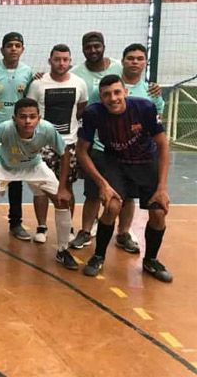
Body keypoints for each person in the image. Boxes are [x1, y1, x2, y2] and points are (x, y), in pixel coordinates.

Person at [69, 33, 162, 250]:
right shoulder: (104, 86)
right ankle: (85, 231)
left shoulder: (149, 91)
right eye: (131, 59)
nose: (135, 62)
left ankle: (123, 233)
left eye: (139, 59)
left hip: (134, 154)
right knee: (94, 192)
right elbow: (90, 114)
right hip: (102, 149)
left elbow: (158, 122)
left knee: (127, 196)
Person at [77, 75, 172, 282]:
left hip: (146, 162)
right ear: (100, 98)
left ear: (125, 93)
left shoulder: (145, 108)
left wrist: (162, 188)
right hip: (115, 162)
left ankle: (151, 260)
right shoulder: (93, 113)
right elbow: (82, 152)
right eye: (107, 95)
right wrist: (102, 184)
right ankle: (98, 256)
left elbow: (163, 145)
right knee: (111, 206)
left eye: (117, 92)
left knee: (158, 213)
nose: (113, 98)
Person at [0, 98, 78, 270]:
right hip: (3, 165)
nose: (28, 121)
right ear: (14, 118)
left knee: (63, 200)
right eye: (22, 117)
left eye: (32, 117)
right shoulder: (5, 128)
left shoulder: (47, 129)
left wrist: (63, 187)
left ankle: (63, 250)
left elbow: (64, 153)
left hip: (33, 165)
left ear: (39, 118)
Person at [26, 44, 88, 243]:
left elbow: (81, 108)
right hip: (42, 145)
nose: (61, 63)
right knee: (41, 187)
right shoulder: (38, 84)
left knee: (66, 187)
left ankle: (67, 227)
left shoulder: (79, 83)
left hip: (69, 144)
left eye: (65, 59)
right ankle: (42, 227)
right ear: (49, 60)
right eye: (57, 59)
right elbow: (30, 110)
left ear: (70, 61)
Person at [0, 32, 34, 241]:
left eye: (17, 45)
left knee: (16, 179)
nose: (13, 48)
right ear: (2, 49)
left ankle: (16, 223)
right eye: (9, 45)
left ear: (22, 49)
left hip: (16, 132)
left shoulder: (28, 73)